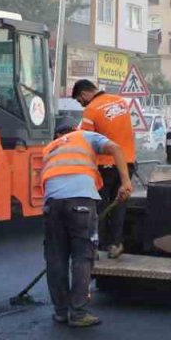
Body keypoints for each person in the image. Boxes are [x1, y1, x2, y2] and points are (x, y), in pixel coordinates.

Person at [40, 119, 132, 328]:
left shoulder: (50, 149)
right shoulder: (84, 136)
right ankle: (78, 313)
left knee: (56, 258)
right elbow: (116, 148)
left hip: (52, 204)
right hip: (80, 201)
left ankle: (61, 312)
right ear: (74, 129)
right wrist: (125, 182)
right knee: (82, 255)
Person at [71, 79, 137, 259]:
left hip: (104, 166)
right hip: (127, 162)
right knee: (120, 204)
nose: (81, 103)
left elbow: (85, 140)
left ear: (84, 94)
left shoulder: (91, 110)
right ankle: (116, 244)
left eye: (79, 100)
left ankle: (99, 245)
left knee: (99, 205)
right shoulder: (121, 102)